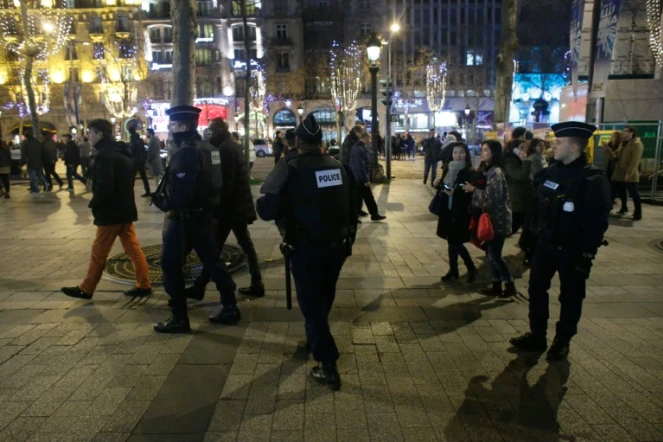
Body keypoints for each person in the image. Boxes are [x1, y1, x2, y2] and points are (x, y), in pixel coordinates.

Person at [256, 114, 358, 390]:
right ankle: (316, 336)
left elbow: (266, 209)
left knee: (311, 304)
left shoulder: (290, 166)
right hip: (337, 246)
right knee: (323, 296)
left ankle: (327, 363)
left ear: (298, 141)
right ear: (320, 141)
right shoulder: (338, 167)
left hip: (305, 248)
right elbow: (353, 205)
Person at [510, 121, 611, 360]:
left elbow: (597, 223)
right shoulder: (550, 172)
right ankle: (537, 335)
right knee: (536, 289)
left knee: (571, 296)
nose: (552, 146)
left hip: (573, 249)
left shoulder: (592, 180)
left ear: (574, 147)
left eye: (558, 142)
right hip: (545, 244)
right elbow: (537, 210)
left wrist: (587, 255)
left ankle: (562, 340)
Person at [151, 105, 240, 333]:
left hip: (184, 219)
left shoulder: (185, 152)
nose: (171, 130)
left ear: (181, 125)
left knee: (171, 265)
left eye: (172, 125)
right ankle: (230, 305)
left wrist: (163, 202)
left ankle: (179, 317)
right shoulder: (209, 147)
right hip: (206, 215)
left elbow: (181, 194)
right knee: (213, 261)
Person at [60, 119, 151, 300]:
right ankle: (143, 284)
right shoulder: (121, 153)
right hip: (125, 209)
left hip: (111, 212)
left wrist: (94, 204)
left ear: (100, 134)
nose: (89, 136)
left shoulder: (104, 156)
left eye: (91, 133)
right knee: (132, 248)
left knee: (99, 251)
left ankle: (86, 288)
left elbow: (104, 186)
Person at [185, 117, 264, 299]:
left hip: (230, 209)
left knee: (214, 249)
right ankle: (256, 282)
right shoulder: (231, 145)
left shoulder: (225, 149)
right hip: (236, 206)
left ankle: (205, 288)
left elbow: (225, 182)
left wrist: (216, 208)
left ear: (219, 130)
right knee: (242, 244)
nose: (209, 133)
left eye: (211, 130)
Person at [464, 140, 515, 300]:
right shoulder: (487, 170)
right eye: (482, 149)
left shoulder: (496, 172)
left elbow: (492, 197)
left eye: (486, 150)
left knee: (495, 255)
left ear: (494, 153)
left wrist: (474, 190)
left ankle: (509, 285)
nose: (483, 153)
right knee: (490, 254)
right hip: (489, 219)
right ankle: (496, 284)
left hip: (497, 220)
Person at [434, 142, 476, 283]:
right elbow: (445, 186)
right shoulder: (449, 168)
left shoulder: (469, 171)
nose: (458, 155)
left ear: (466, 154)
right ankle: (454, 270)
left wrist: (454, 193)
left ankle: (469, 267)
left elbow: (469, 192)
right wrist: (439, 184)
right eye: (455, 152)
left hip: (461, 212)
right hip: (448, 210)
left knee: (455, 241)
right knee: (451, 240)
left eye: (461, 152)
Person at [349, 130, 386, 222]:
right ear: (364, 138)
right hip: (360, 178)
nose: (370, 140)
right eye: (369, 138)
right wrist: (365, 179)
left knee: (364, 197)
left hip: (359, 177)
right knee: (364, 197)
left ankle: (373, 215)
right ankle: (371, 215)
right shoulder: (359, 149)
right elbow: (360, 165)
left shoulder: (362, 147)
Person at [611, 126, 643, 220]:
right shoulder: (623, 144)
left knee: (634, 193)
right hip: (620, 173)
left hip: (629, 173)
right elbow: (615, 156)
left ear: (631, 133)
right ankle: (623, 208)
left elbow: (635, 160)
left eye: (626, 131)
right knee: (620, 191)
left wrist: (629, 173)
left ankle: (638, 213)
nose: (623, 133)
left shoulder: (636, 144)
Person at [503, 139, 533, 235]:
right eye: (521, 147)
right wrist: (525, 161)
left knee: (525, 225)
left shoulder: (519, 160)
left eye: (525, 147)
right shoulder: (510, 161)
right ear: (514, 149)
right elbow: (522, 176)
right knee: (513, 226)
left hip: (523, 199)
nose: (524, 150)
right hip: (517, 200)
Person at [128, 126, 151, 197]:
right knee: (144, 177)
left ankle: (129, 191)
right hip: (141, 160)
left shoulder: (133, 140)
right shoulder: (140, 140)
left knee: (131, 177)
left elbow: (132, 151)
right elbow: (143, 150)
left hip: (135, 160)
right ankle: (148, 191)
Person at [600, 131, 621, 204]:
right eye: (611, 136)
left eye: (614, 136)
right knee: (607, 181)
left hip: (614, 165)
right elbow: (606, 155)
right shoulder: (609, 144)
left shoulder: (619, 145)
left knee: (613, 183)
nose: (611, 137)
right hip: (608, 164)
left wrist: (608, 148)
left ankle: (612, 198)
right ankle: (608, 197)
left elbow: (613, 156)